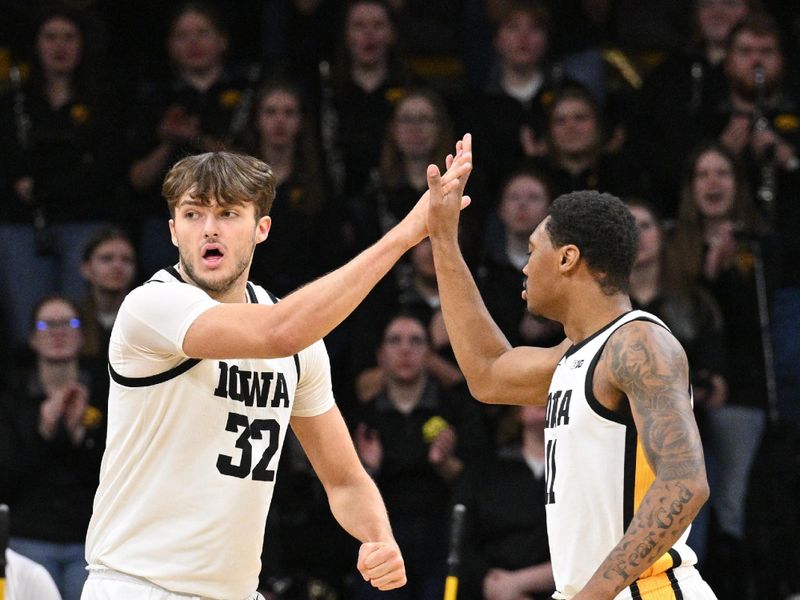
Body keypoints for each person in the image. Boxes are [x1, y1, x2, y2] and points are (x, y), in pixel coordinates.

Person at [80, 143, 472, 600]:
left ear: (261, 228)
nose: (209, 229)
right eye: (193, 214)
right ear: (172, 231)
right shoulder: (151, 307)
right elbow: (279, 332)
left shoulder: (297, 340)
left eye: (228, 214)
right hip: (139, 587)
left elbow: (344, 479)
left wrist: (378, 537)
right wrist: (404, 235)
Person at [426, 134, 717, 599]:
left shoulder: (639, 343)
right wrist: (443, 238)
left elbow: (685, 482)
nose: (524, 267)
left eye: (532, 250)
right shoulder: (577, 354)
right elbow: (486, 371)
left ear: (567, 258)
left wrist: (592, 596)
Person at [0, 6, 123, 350]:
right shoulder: (15, 103)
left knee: (79, 323)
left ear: (83, 45)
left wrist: (45, 187)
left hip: (84, 222)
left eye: (69, 37)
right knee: (27, 323)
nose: (60, 47)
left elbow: (106, 169)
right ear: (36, 45)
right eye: (50, 37)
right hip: (23, 224)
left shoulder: (101, 101)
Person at [352, 312, 489, 600]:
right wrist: (368, 469)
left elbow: (478, 481)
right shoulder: (364, 416)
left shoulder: (454, 409)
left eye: (416, 341)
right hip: (382, 537)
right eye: (395, 341)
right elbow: (344, 494)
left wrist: (445, 464)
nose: (405, 349)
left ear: (428, 354)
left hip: (442, 538)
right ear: (380, 355)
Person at [0, 296, 108, 600]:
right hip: (28, 536)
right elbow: (6, 481)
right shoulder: (13, 401)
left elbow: (118, 478)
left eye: (68, 323)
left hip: (88, 539)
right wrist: (44, 434)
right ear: (33, 338)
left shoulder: (106, 394)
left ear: (82, 335)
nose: (58, 332)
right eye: (47, 324)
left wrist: (81, 438)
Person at [453, 405, 555, 600]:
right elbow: (464, 539)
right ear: (517, 411)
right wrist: (490, 584)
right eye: (533, 394)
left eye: (548, 392)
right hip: (492, 589)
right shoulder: (486, 472)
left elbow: (590, 547)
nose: (542, 400)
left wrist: (519, 582)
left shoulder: (579, 471)